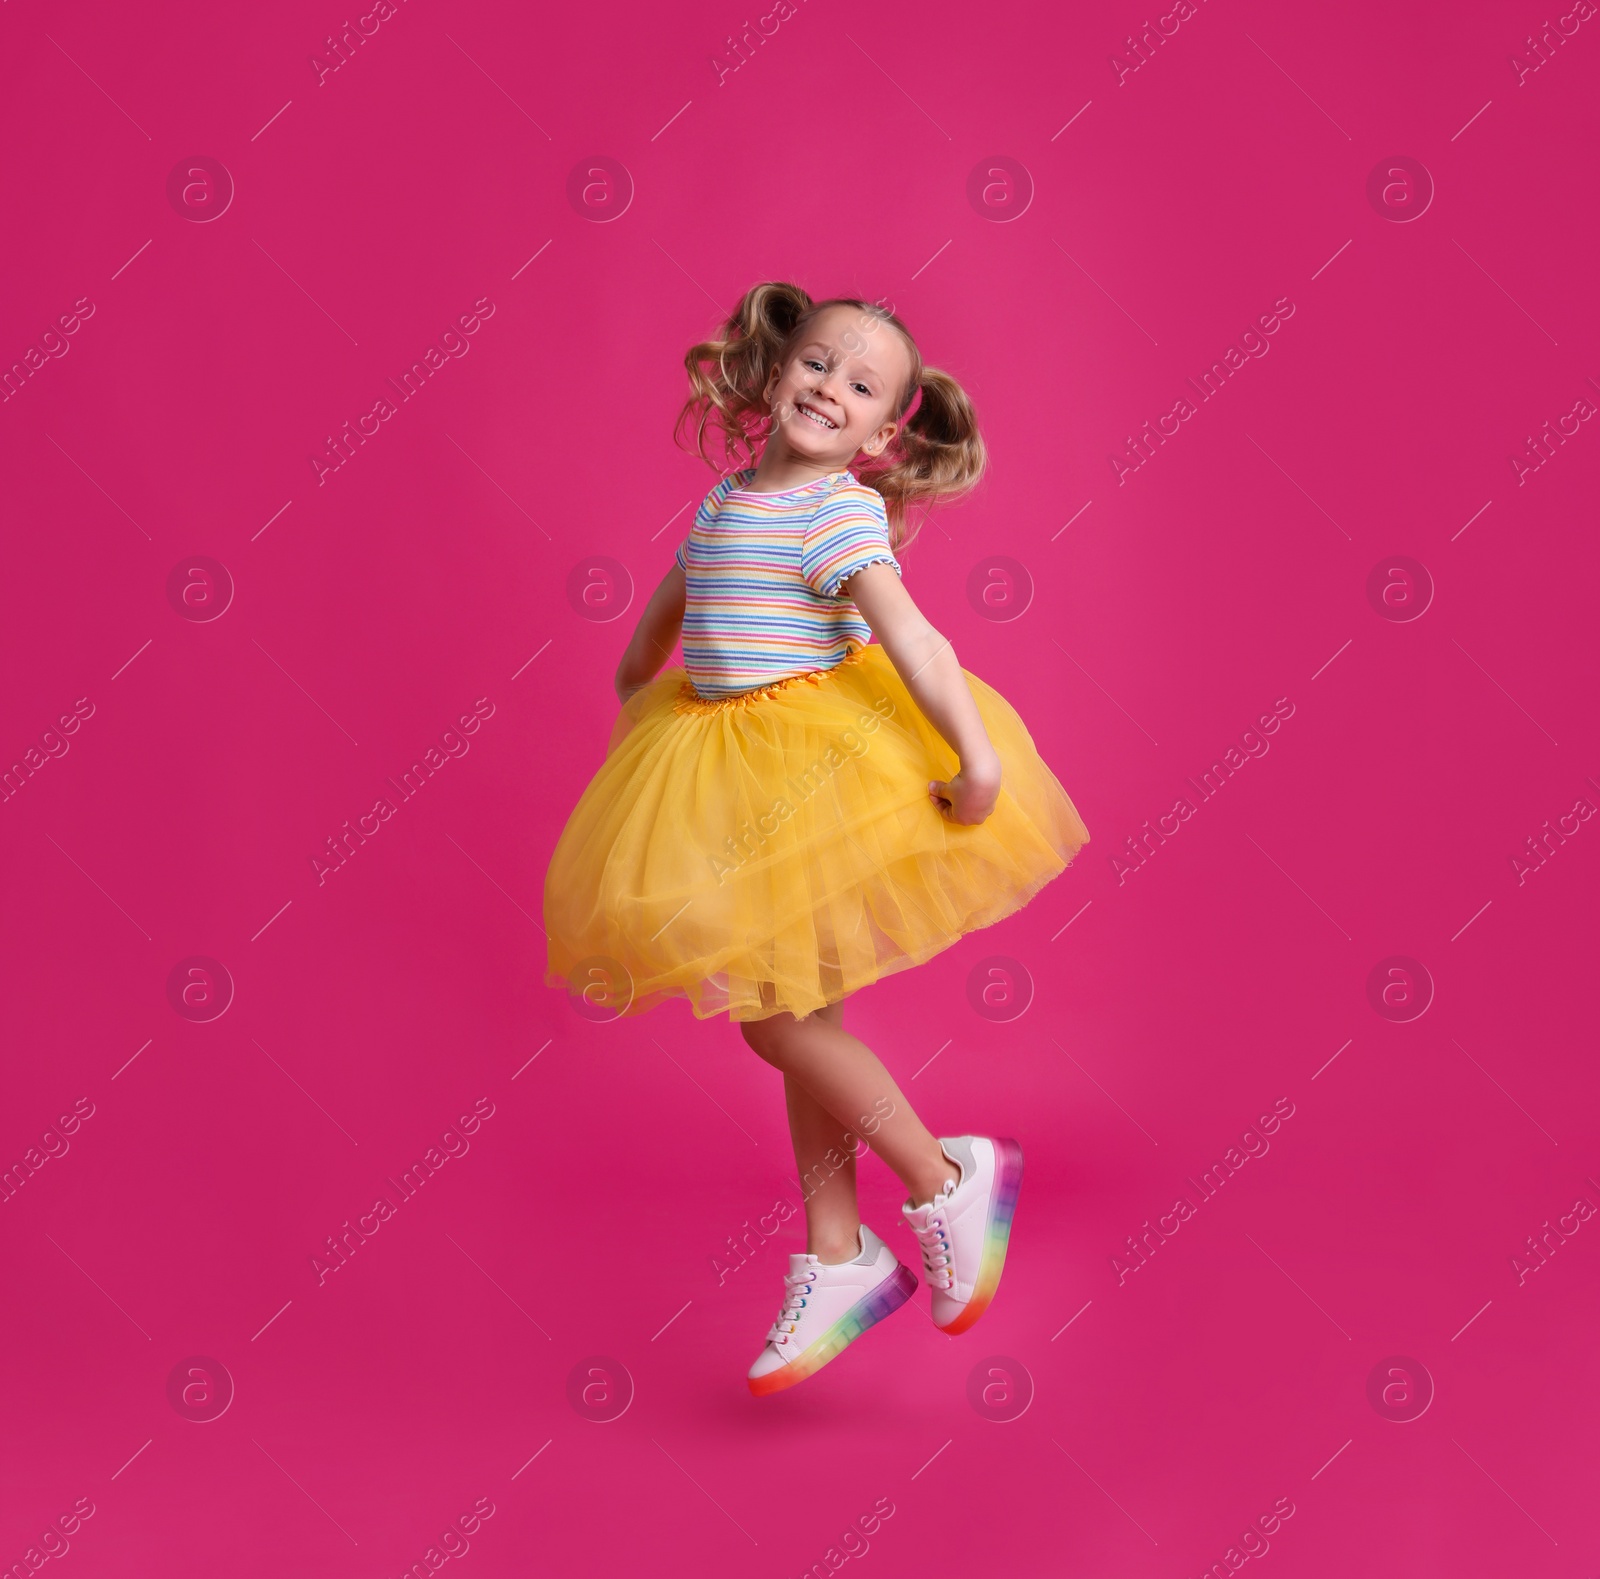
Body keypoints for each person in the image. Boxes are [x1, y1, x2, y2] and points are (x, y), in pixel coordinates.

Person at [543, 282, 1090, 1394]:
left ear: (888, 430)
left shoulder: (838, 511)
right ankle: (835, 1252)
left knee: (776, 1024)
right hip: (722, 766)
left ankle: (946, 1175)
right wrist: (634, 667)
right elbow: (677, 595)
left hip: (820, 771)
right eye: (816, 365)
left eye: (860, 385)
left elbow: (919, 642)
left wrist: (976, 756)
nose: (829, 389)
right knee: (799, 1003)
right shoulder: (725, 501)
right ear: (774, 372)